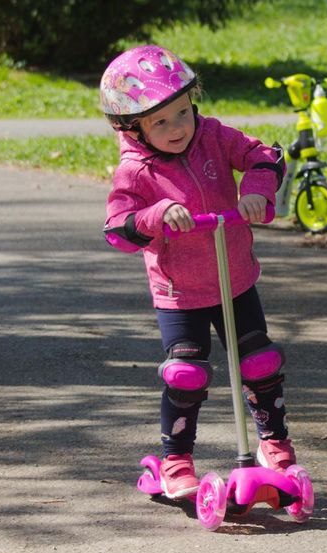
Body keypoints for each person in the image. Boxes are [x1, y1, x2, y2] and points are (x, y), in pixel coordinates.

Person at [101, 45, 295, 500]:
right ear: (133, 127)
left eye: (183, 113)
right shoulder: (136, 170)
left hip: (235, 279)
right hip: (180, 293)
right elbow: (118, 228)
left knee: (260, 364)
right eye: (161, 122)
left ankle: (275, 445)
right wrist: (157, 214)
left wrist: (256, 191)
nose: (178, 128)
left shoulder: (213, 136)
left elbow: (264, 156)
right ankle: (176, 460)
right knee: (186, 374)